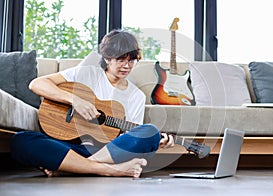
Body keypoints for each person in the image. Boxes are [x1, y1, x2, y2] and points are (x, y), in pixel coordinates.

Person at [10, 29, 174, 178]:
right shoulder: (85, 73)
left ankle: (71, 168)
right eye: (121, 59)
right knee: (22, 140)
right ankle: (107, 170)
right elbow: (36, 84)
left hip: (105, 151)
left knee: (150, 132)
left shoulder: (136, 96)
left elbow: (129, 138)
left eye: (131, 60)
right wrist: (75, 100)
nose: (126, 66)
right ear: (107, 58)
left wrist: (156, 140)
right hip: (66, 147)